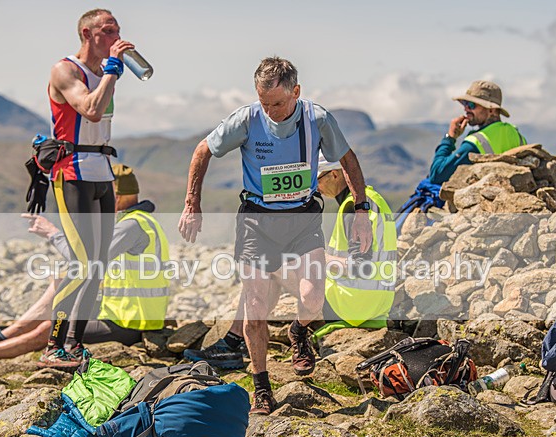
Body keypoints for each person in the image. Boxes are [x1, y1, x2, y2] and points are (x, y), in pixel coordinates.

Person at [178, 56, 372, 415]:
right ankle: (262, 387)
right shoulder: (248, 119)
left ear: (296, 92)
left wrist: (362, 210)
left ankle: (299, 331)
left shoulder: (317, 119)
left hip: (302, 220)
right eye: (265, 103)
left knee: (313, 298)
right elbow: (202, 150)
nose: (271, 111)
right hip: (257, 223)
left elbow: (348, 159)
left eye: (279, 103)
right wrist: (192, 202)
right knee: (255, 309)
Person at [185, 155, 397, 369]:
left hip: (353, 304)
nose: (314, 188)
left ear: (335, 174)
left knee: (267, 265)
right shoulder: (373, 199)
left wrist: (315, 256)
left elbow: (360, 266)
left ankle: (232, 343)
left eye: (317, 180)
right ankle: (238, 340)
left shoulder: (352, 208)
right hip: (377, 303)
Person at [0, 166, 169, 363]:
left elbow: (86, 260)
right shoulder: (134, 222)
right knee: (60, 285)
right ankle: (0, 336)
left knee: (52, 328)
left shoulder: (131, 226)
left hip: (130, 323)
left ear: (115, 196)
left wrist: (52, 234)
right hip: (119, 310)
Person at [41, 8, 133, 366]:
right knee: (80, 263)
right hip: (73, 175)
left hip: (102, 174)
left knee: (98, 263)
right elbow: (90, 110)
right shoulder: (65, 70)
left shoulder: (103, 71)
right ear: (87, 33)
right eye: (108, 31)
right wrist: (112, 70)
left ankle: (75, 344)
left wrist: (110, 72)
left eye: (117, 31)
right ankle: (53, 346)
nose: (115, 37)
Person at [395, 80, 527, 233]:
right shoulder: (516, 134)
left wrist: (449, 138)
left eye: (471, 105)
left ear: (491, 110)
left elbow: (437, 174)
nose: (465, 109)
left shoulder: (477, 141)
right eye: (464, 103)